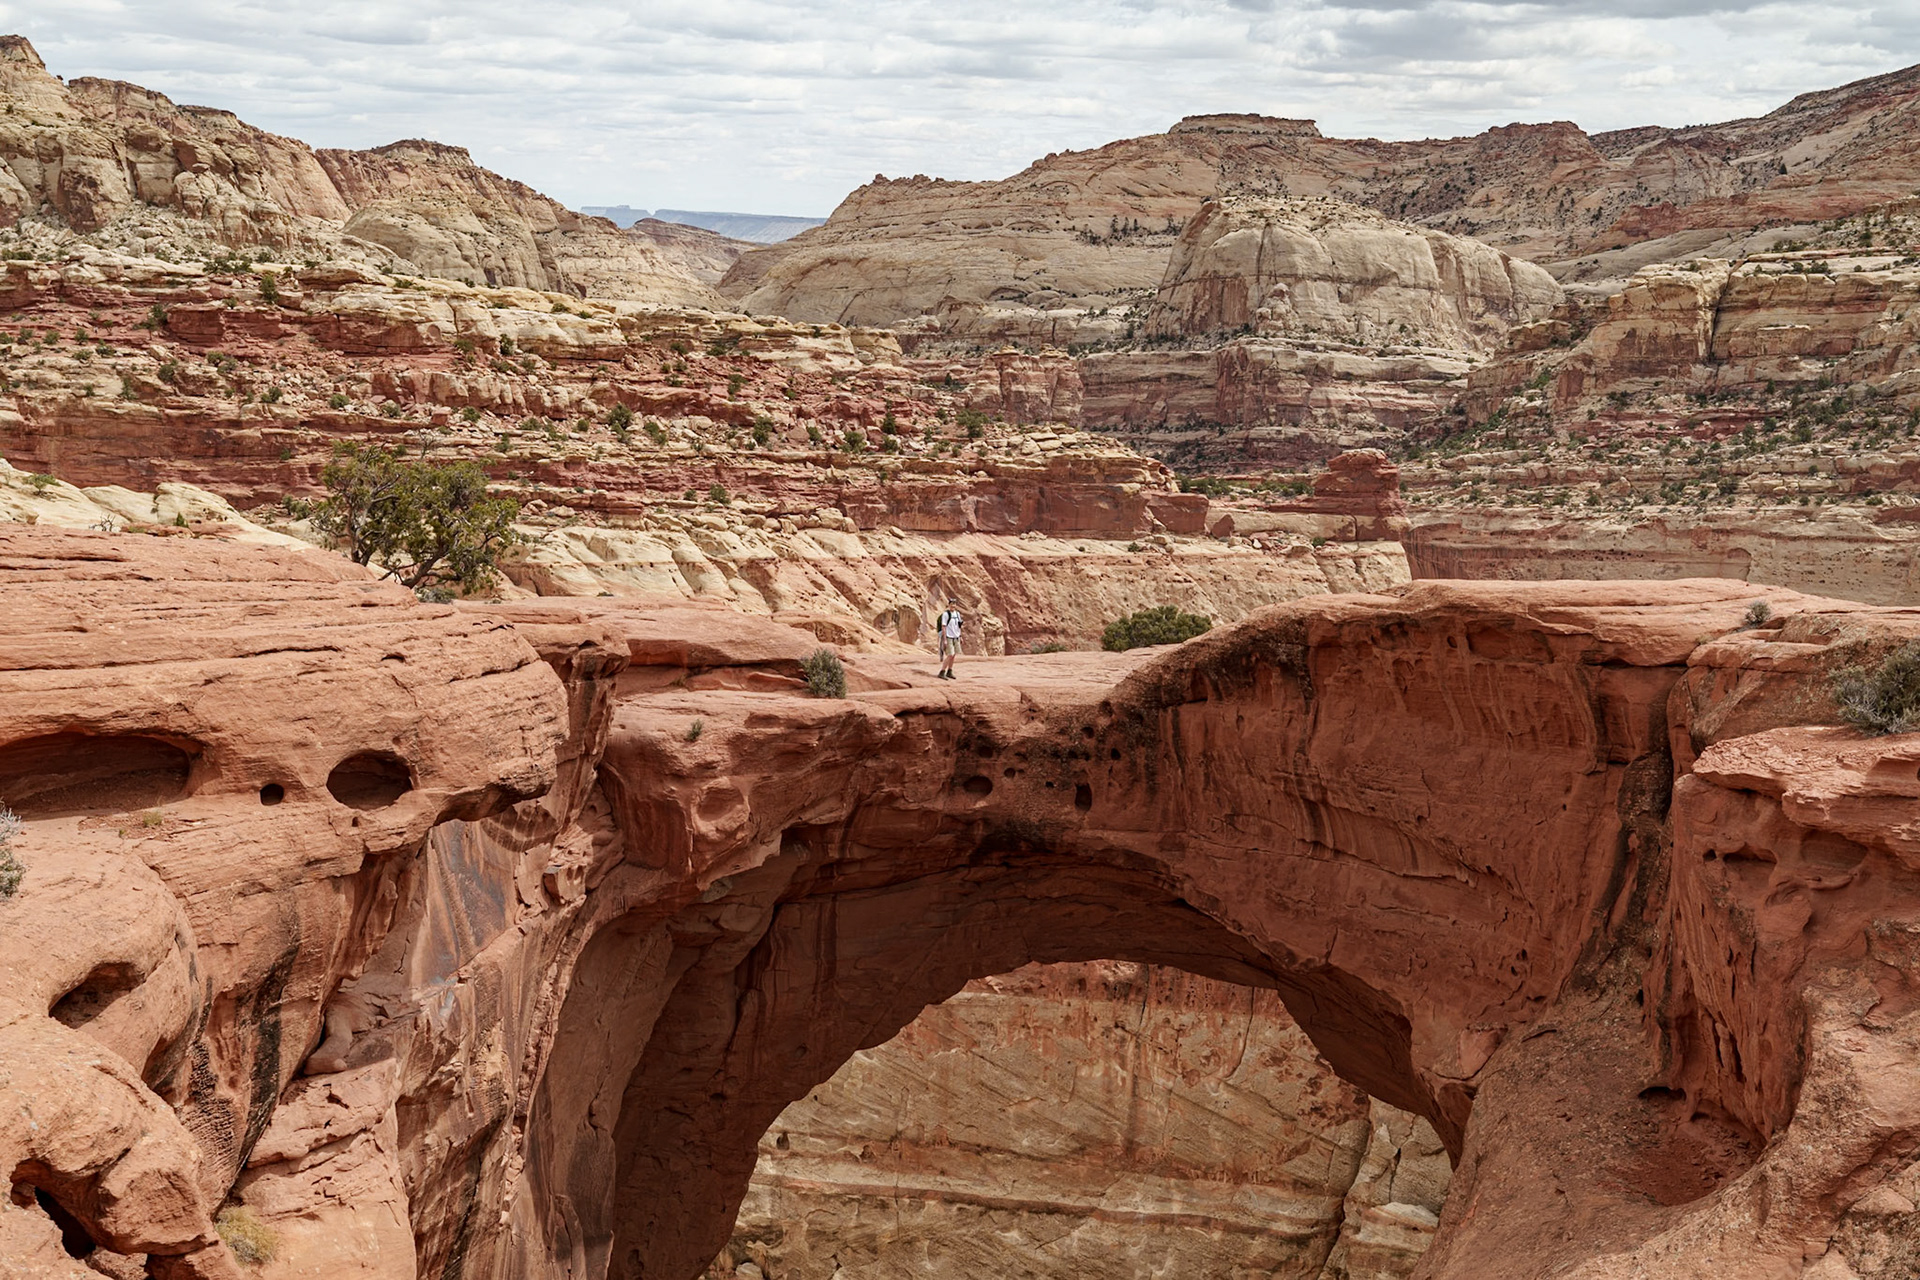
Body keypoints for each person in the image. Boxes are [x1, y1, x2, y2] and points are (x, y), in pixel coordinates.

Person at [935, 599, 964, 679]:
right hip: (949, 637)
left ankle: (949, 671)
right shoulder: (946, 614)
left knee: (953, 655)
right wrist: (944, 639)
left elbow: (959, 626)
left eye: (954, 604)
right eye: (951, 604)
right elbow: (943, 627)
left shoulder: (957, 614)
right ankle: (942, 672)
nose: (953, 606)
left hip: (956, 637)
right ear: (949, 605)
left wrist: (960, 636)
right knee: (950, 654)